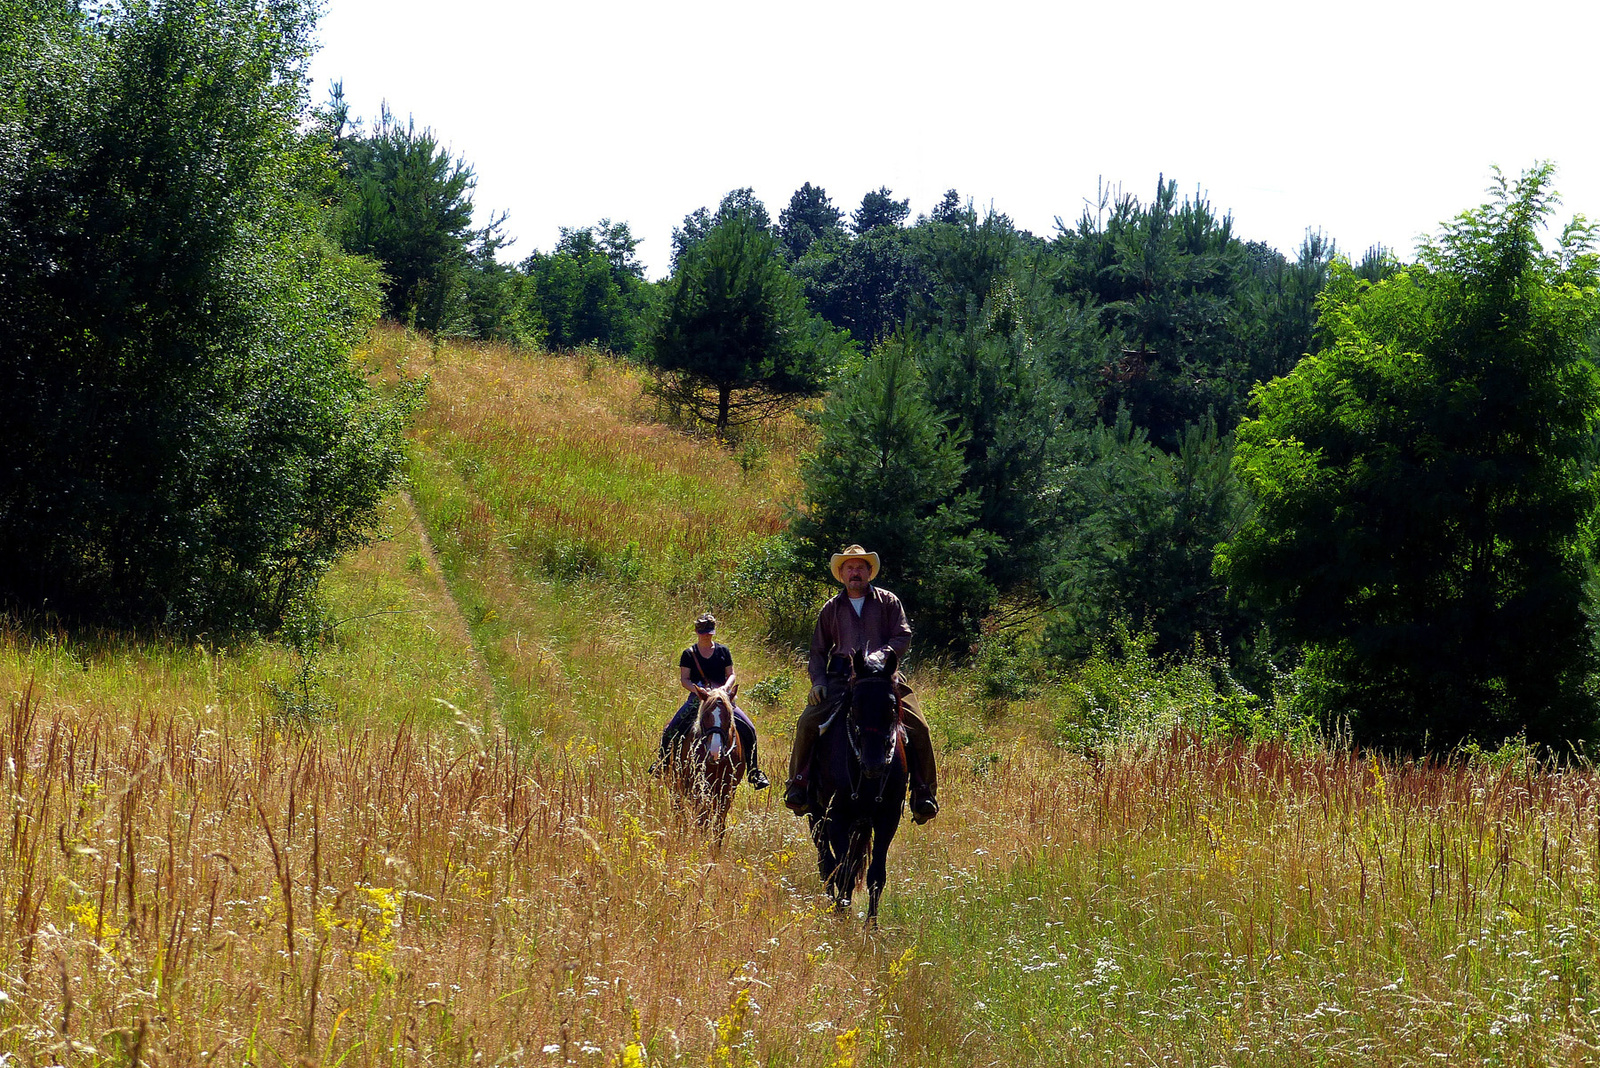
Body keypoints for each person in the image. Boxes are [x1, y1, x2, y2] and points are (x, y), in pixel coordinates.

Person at [783, 544, 939, 823]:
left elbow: (902, 636)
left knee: (920, 727)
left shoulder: (888, 601)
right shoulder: (831, 608)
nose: (855, 573)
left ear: (869, 572)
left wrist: (880, 657)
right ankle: (799, 783)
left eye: (860, 567)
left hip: (882, 679)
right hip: (840, 678)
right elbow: (818, 650)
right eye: (850, 568)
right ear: (841, 574)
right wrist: (818, 682)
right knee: (807, 722)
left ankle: (923, 792)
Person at [650, 614, 770, 789]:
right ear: (697, 632)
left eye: (709, 633)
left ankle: (754, 771)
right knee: (671, 729)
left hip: (722, 699)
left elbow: (731, 674)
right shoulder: (689, 654)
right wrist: (698, 691)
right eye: (703, 632)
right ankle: (662, 763)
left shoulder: (723, 651)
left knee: (749, 728)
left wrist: (725, 688)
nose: (707, 635)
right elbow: (685, 679)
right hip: (699, 698)